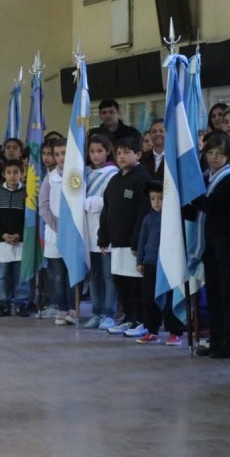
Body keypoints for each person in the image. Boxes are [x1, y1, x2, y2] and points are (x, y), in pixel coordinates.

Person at [184, 132, 230, 358]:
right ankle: (217, 341)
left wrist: (190, 189)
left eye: (219, 154)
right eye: (210, 152)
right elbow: (198, 212)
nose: (214, 157)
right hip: (209, 242)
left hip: (227, 241)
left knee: (227, 294)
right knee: (214, 293)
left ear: (228, 155)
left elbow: (211, 206)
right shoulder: (207, 176)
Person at [98, 136, 152, 337]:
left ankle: (141, 320)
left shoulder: (142, 178)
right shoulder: (114, 180)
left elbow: (144, 213)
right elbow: (107, 210)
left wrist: (138, 240)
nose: (121, 156)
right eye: (118, 153)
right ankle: (129, 317)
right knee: (121, 281)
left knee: (136, 283)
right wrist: (103, 237)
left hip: (133, 244)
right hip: (116, 242)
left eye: (126, 152)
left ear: (137, 154)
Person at [135, 181, 184, 346]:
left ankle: (174, 332)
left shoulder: (173, 218)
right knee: (148, 298)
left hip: (169, 263)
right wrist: (139, 260)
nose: (156, 202)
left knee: (171, 299)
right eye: (153, 198)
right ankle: (152, 330)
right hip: (150, 263)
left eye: (161, 198)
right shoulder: (148, 218)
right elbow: (142, 240)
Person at [82, 133, 119, 330]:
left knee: (108, 275)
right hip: (88, 232)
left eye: (99, 151)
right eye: (92, 151)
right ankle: (96, 312)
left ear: (107, 152)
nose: (95, 156)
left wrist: (85, 203)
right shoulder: (84, 173)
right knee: (93, 274)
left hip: (105, 232)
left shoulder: (112, 174)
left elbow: (106, 202)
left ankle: (109, 313)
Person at [39, 138, 76, 325]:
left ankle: (73, 308)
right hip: (55, 233)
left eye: (65, 153)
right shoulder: (50, 177)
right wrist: (57, 226)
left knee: (73, 272)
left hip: (74, 233)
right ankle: (61, 308)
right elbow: (44, 206)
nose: (61, 157)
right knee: (58, 274)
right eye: (57, 154)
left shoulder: (78, 174)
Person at [0, 159, 27, 317]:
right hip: (2, 240)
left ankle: (22, 303)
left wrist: (19, 234)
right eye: (9, 173)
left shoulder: (26, 193)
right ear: (4, 174)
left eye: (16, 172)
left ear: (22, 174)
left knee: (21, 274)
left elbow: (28, 218)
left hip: (21, 240)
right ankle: (3, 303)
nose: (12, 176)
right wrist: (3, 234)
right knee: (2, 275)